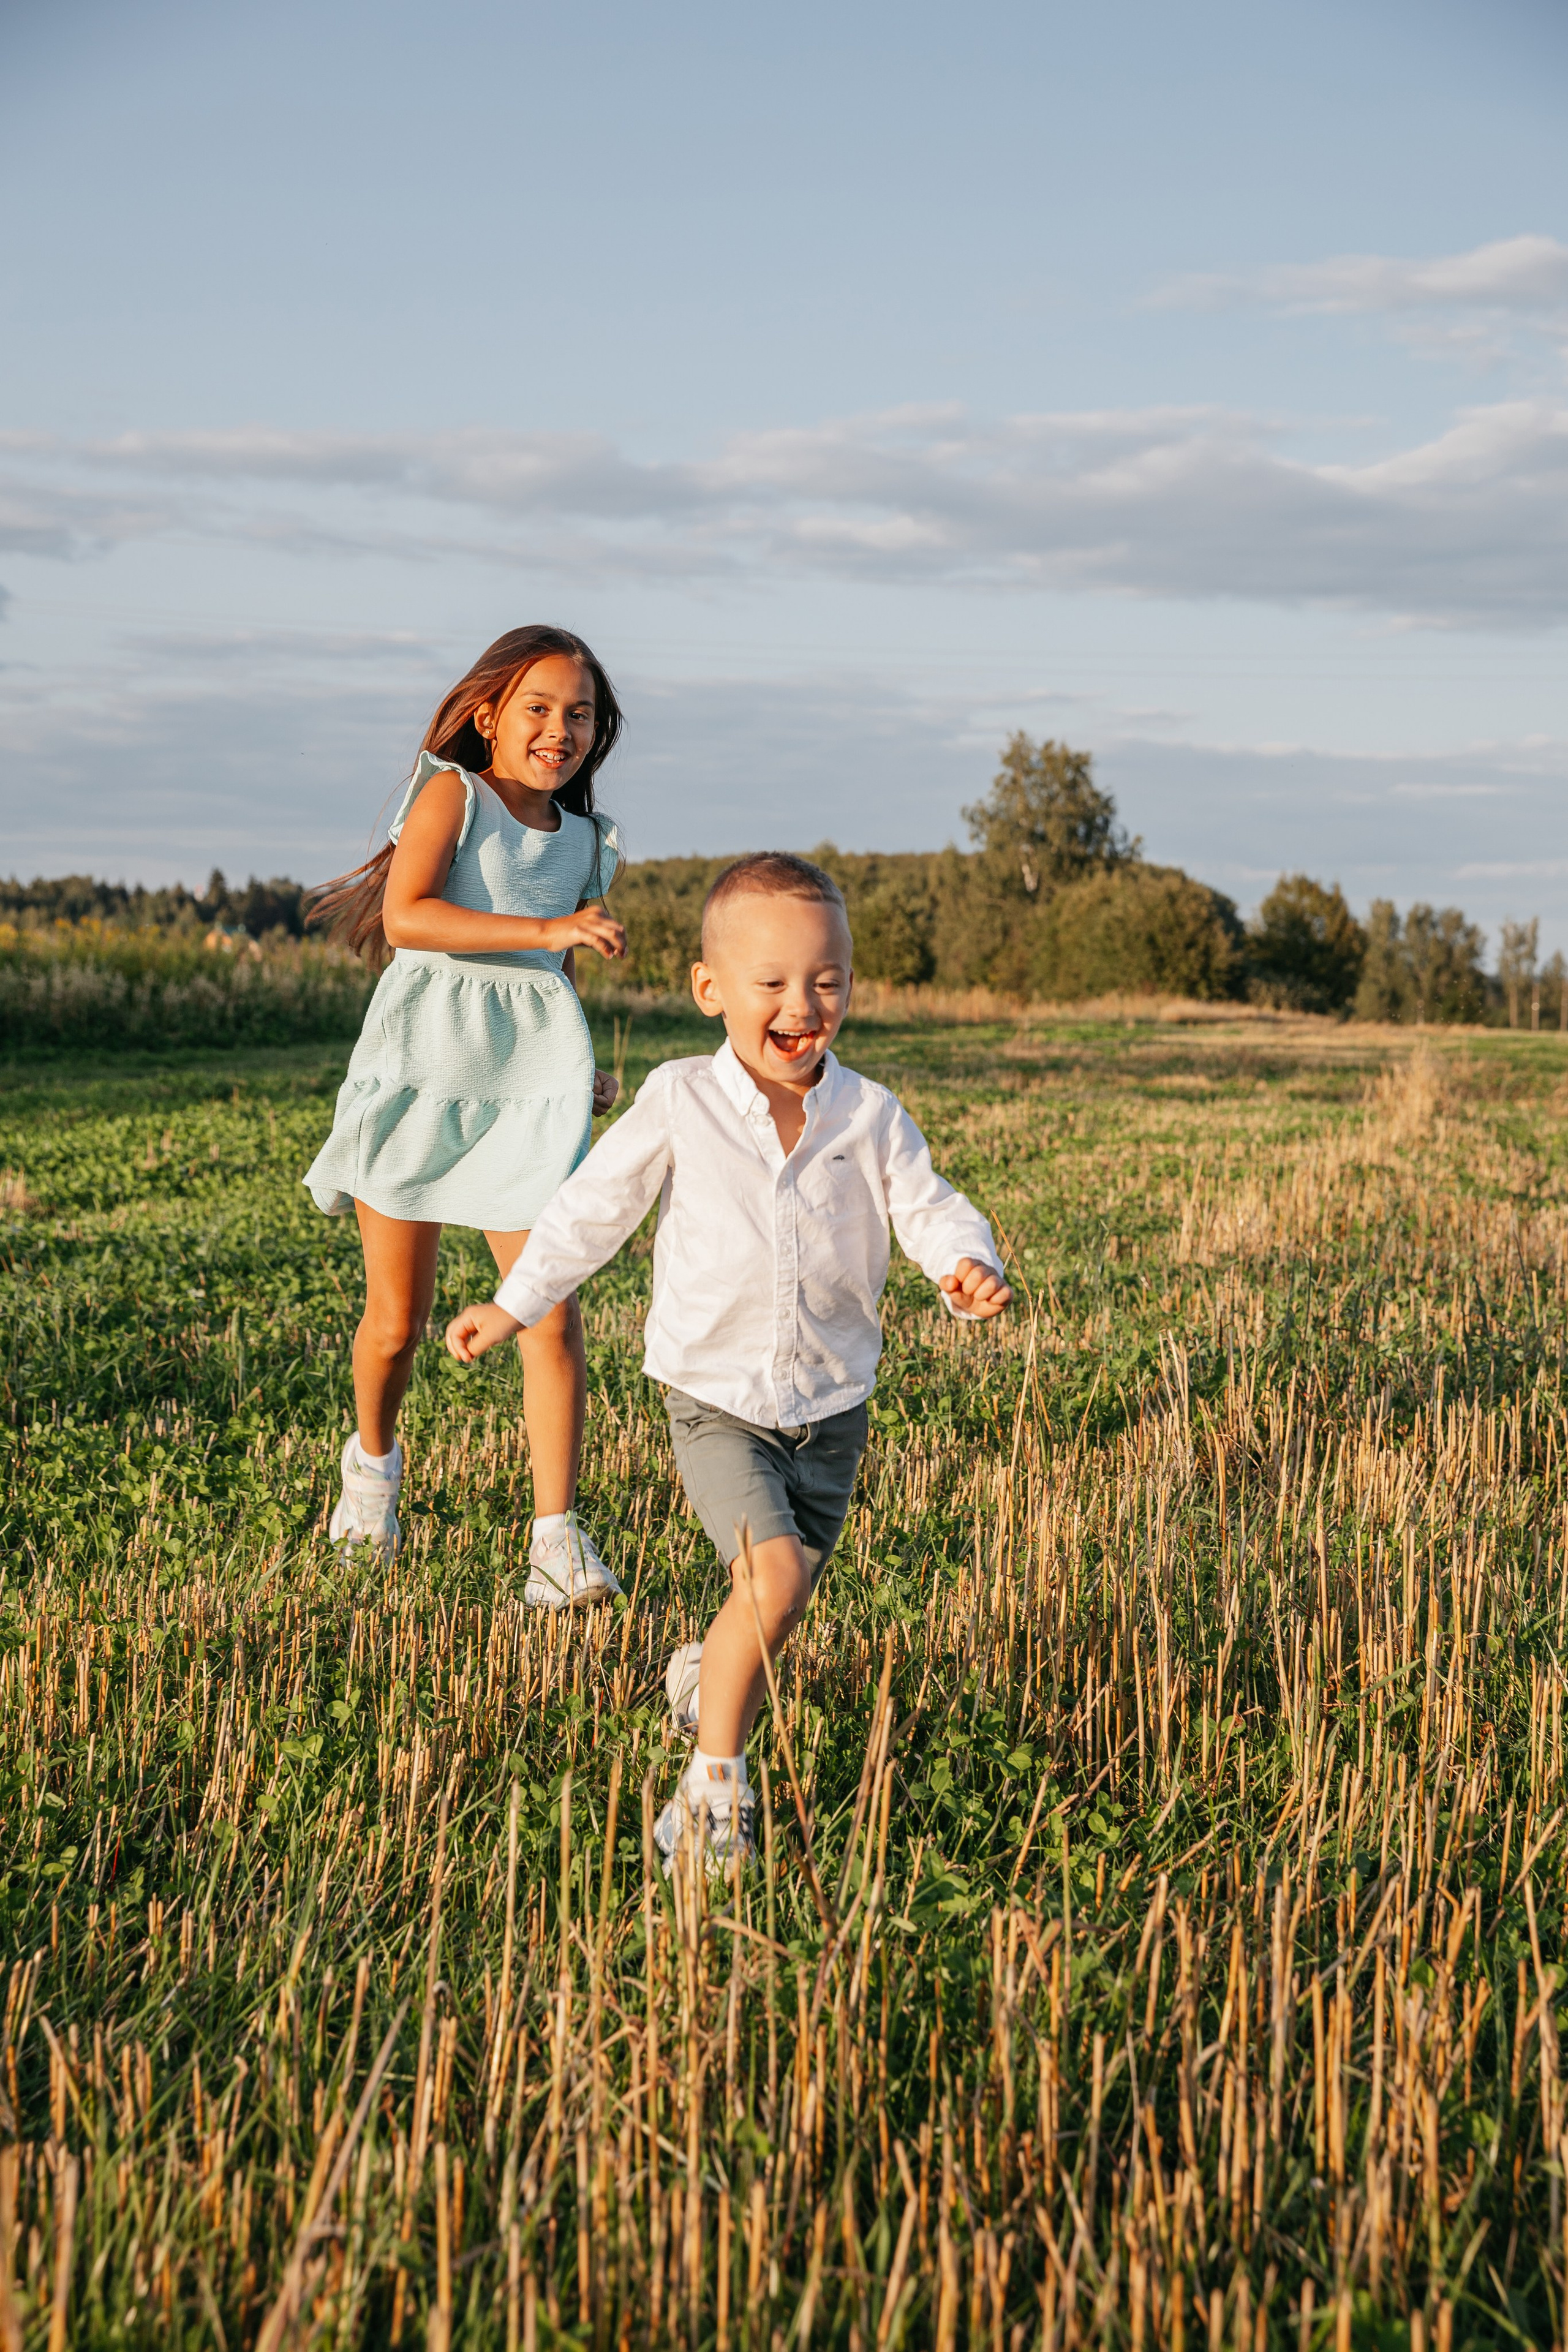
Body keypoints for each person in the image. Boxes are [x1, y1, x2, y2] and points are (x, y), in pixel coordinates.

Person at [443, 851, 1011, 1869]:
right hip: (716, 1400)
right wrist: (514, 1300)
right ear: (711, 991)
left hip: (834, 1406)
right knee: (776, 1577)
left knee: (776, 1599)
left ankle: (705, 1674)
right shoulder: (678, 1101)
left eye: (827, 981)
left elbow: (928, 1205)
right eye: (775, 984)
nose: (805, 1004)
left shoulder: (869, 1115)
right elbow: (591, 1211)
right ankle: (710, 1793)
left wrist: (965, 1263)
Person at [304, 624, 628, 1608]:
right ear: (489, 713)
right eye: (539, 708)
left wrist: (574, 1069)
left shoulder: (585, 844)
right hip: (419, 1080)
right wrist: (549, 928)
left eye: (580, 715)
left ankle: (555, 1543)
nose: (559, 730)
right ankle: (372, 1473)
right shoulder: (454, 794)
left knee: (549, 1314)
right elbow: (410, 917)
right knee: (396, 1324)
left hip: (523, 1106)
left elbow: (552, 974)